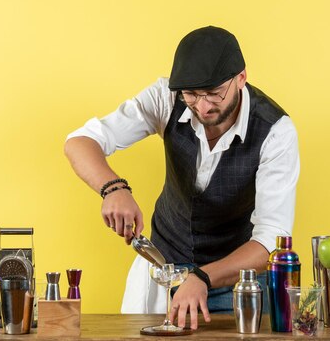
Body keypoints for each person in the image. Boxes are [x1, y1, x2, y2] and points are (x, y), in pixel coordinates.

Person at [64, 26, 299, 330]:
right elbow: (80, 141)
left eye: (214, 93)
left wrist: (202, 277)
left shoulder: (276, 132)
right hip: (160, 271)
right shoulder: (166, 97)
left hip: (235, 284)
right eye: (191, 94)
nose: (202, 107)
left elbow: (270, 241)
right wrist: (113, 188)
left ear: (241, 78)